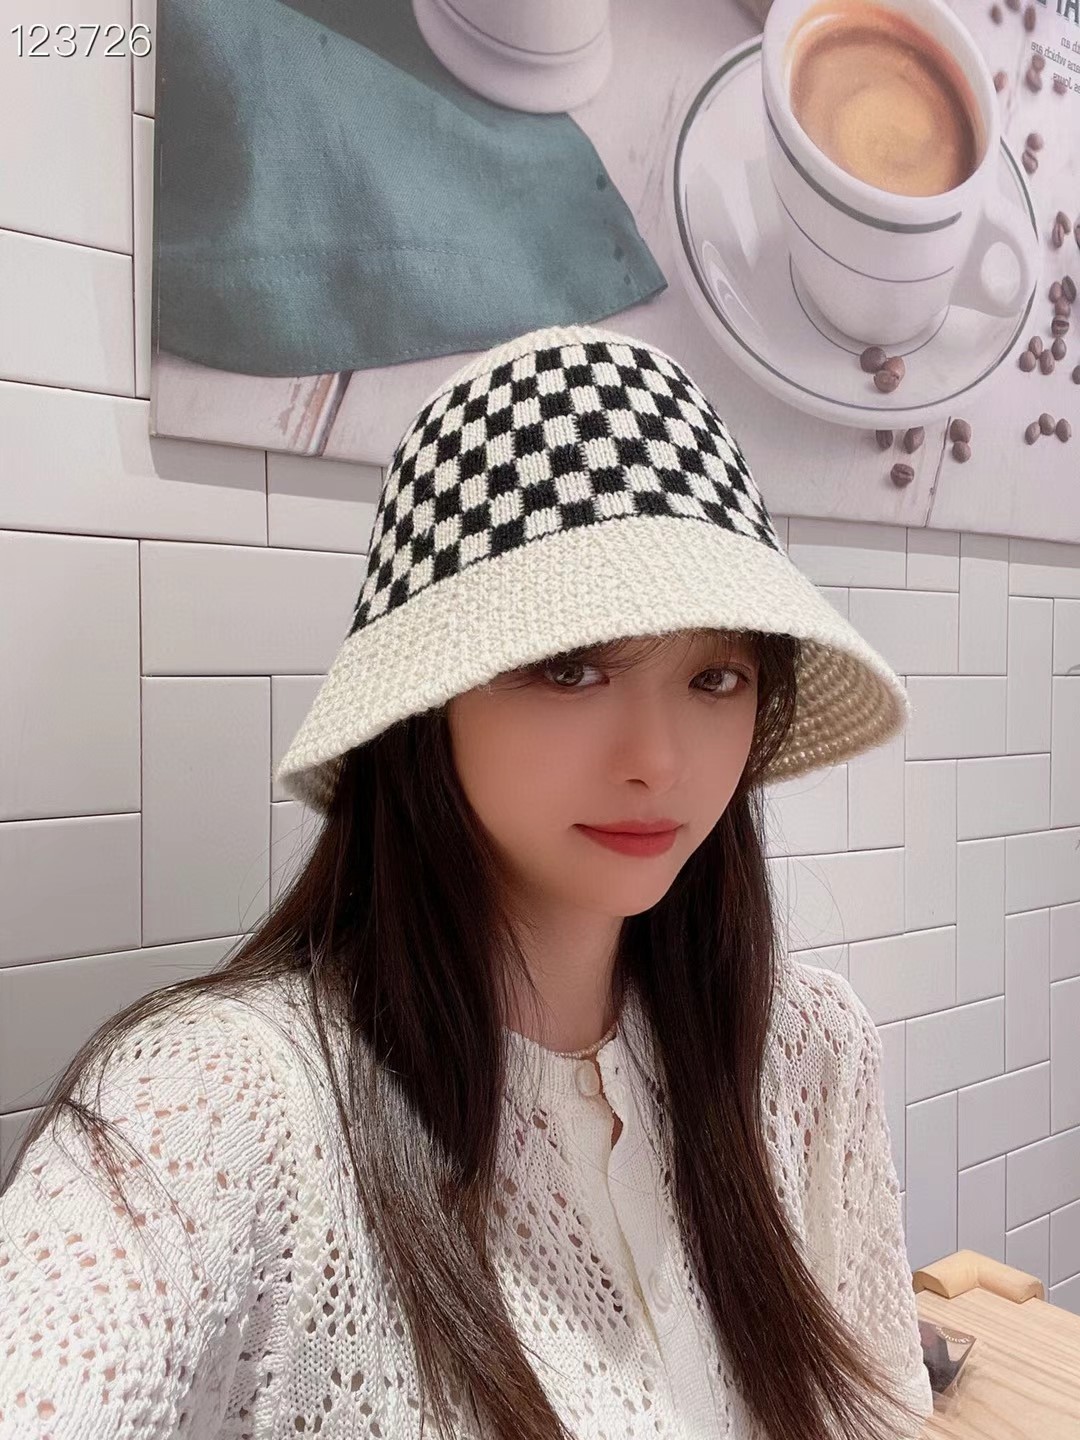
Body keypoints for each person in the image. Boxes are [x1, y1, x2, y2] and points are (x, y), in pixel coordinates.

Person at [0, 325, 934, 1440]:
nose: (660, 760)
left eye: (716, 676)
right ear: (426, 705)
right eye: (570, 667)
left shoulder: (804, 1050)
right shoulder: (218, 1106)